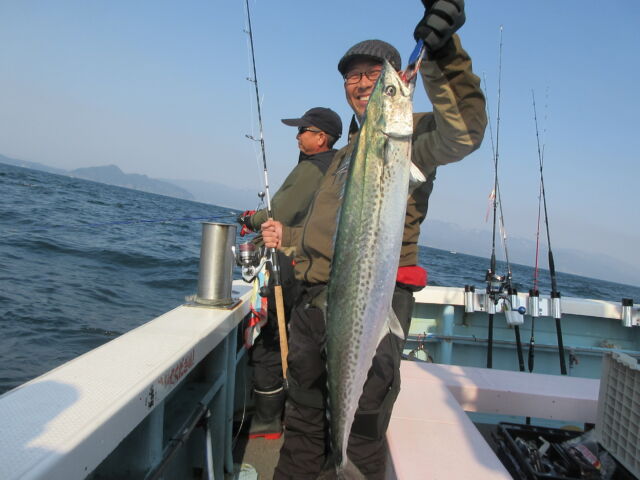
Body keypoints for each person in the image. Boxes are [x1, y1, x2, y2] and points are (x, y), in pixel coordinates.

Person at [260, 0, 487, 478]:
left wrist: (444, 52)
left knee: (359, 432)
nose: (362, 83)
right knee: (302, 425)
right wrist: (290, 237)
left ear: (400, 80)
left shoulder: (413, 139)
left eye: (374, 74)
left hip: (371, 305)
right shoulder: (346, 155)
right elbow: (330, 235)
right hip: (314, 307)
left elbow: (465, 131)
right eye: (352, 76)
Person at [236, 107, 342, 439]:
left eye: (303, 130)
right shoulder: (337, 167)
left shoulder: (312, 168)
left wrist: (250, 219)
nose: (297, 136)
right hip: (315, 265)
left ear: (321, 138)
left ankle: (267, 421)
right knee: (301, 340)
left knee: (268, 338)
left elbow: (280, 211)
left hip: (288, 262)